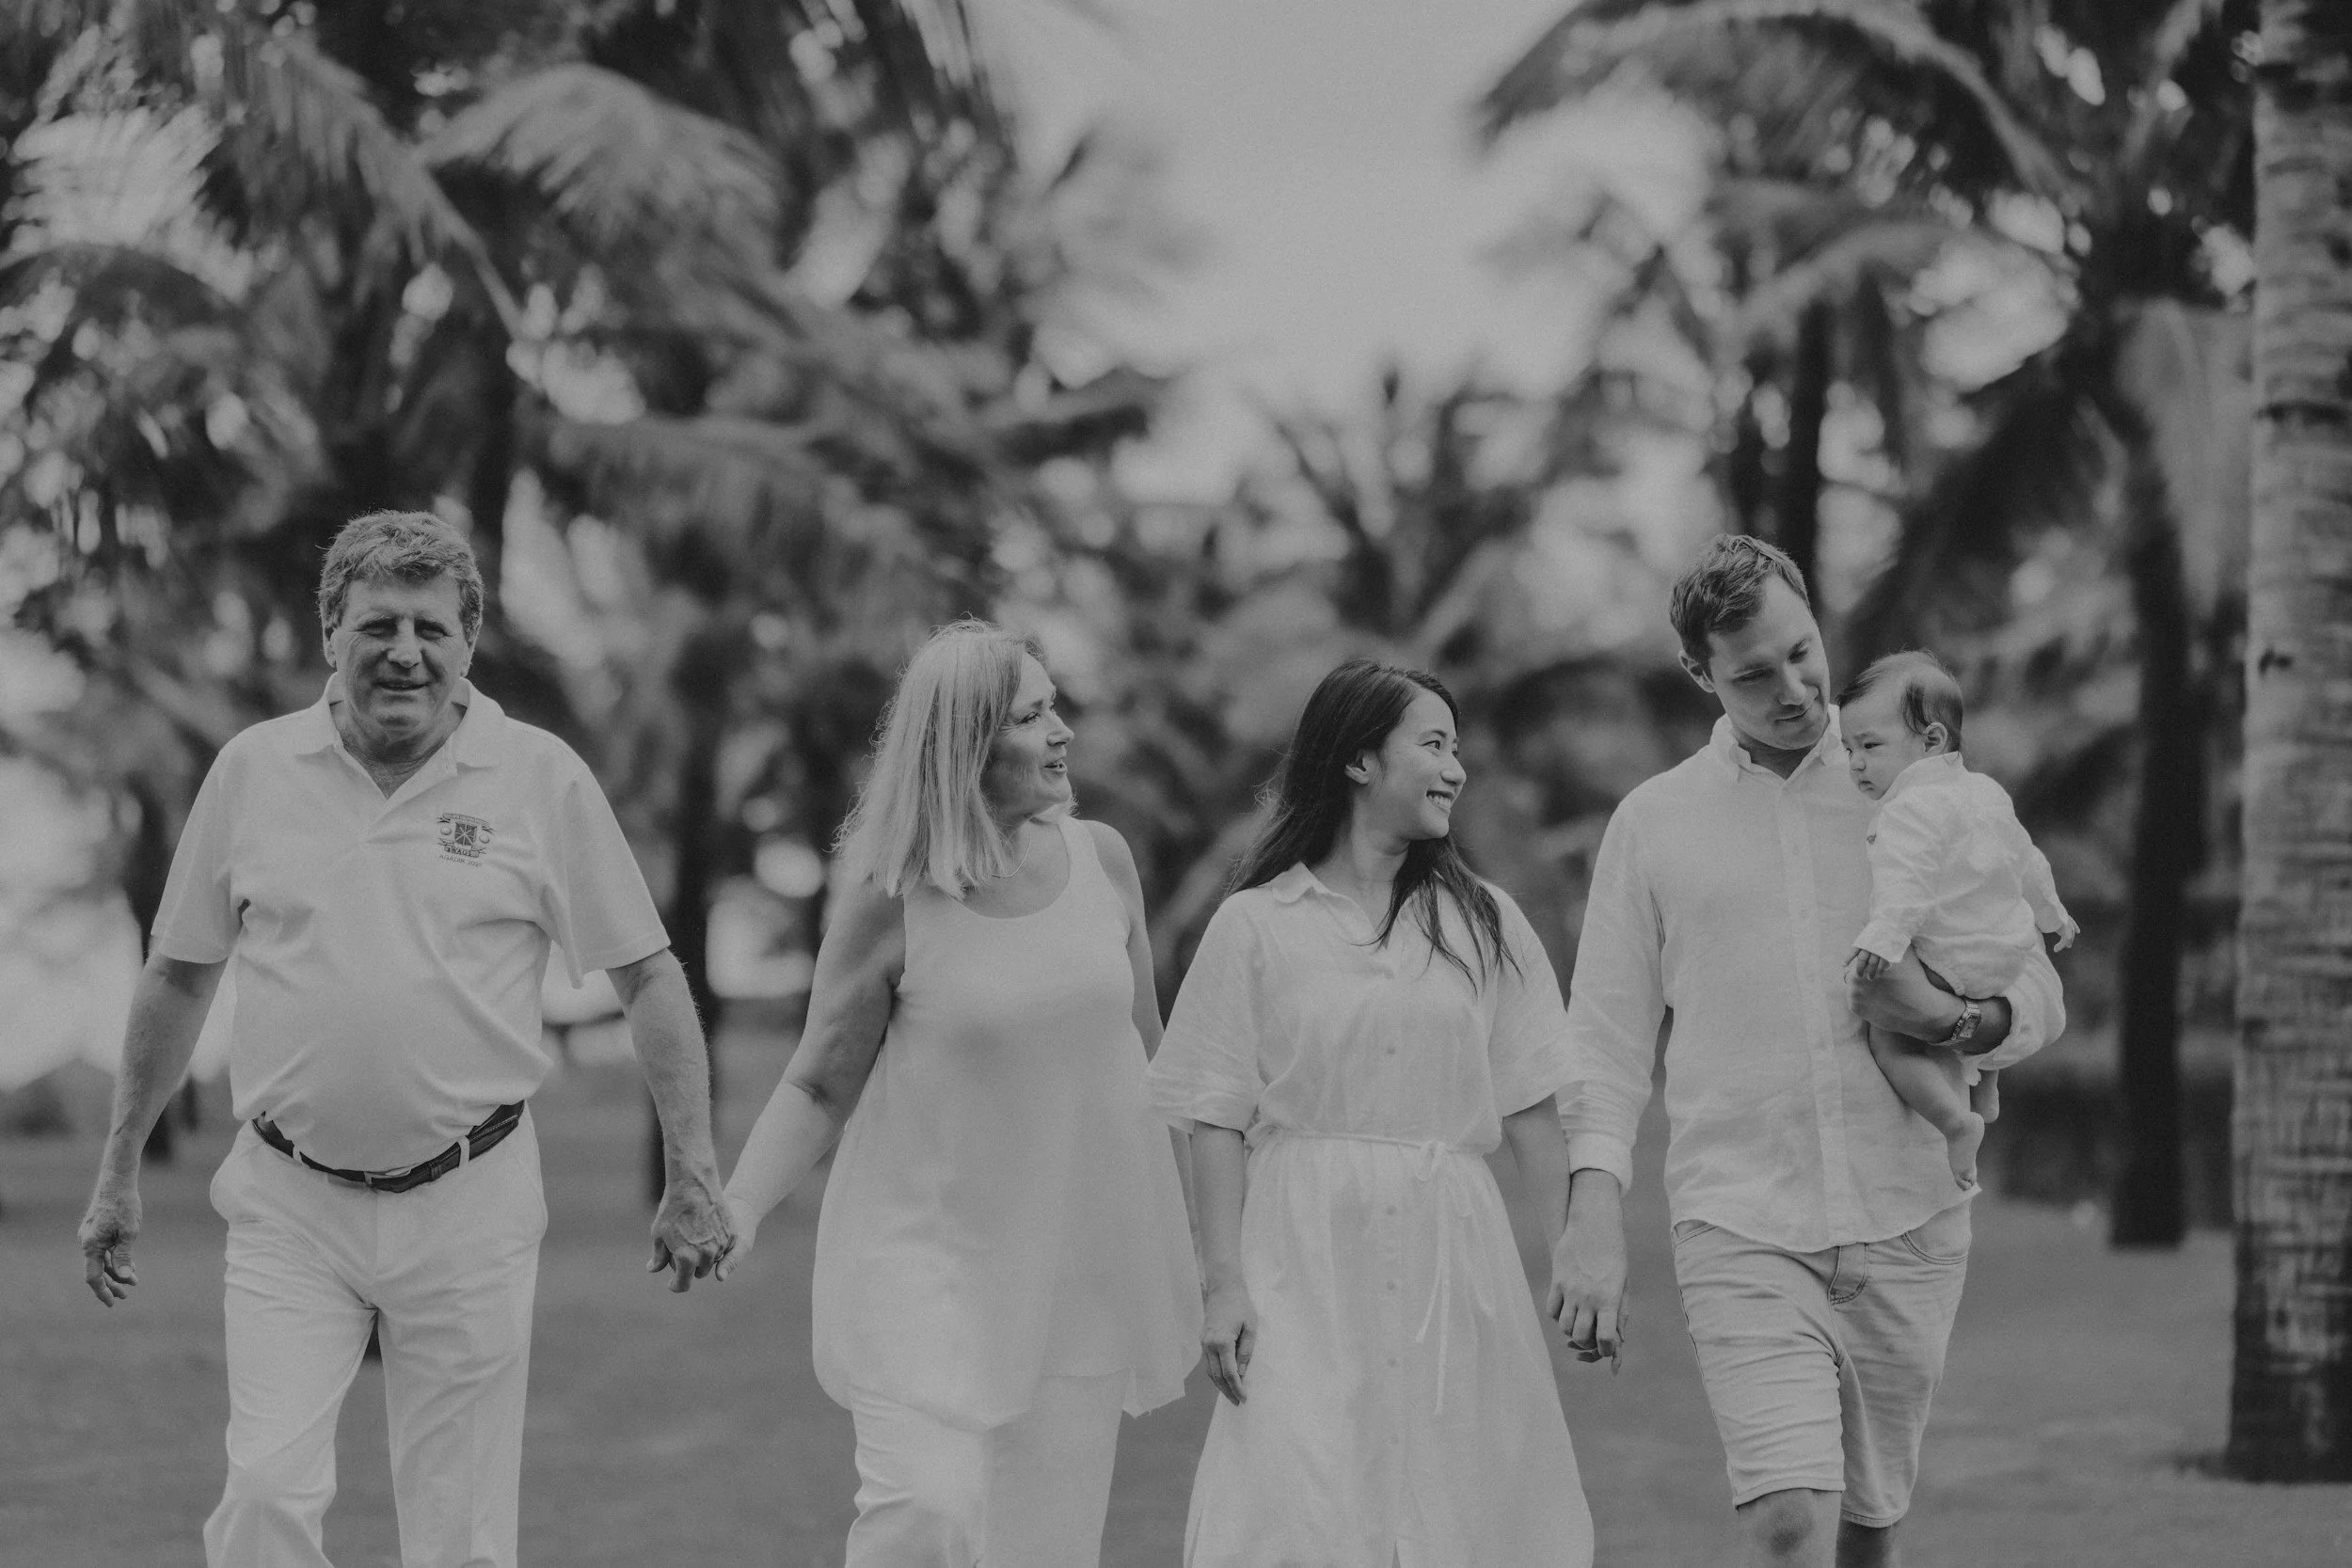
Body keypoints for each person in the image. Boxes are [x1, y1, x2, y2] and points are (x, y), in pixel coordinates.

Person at [74, 511, 731, 1568]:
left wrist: (692, 1167)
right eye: (377, 623)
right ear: (330, 629)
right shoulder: (254, 770)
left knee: (461, 1539)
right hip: (289, 1203)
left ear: (469, 640)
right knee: (263, 1495)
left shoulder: (539, 775)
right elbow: (179, 972)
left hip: (472, 1202)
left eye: (432, 627)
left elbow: (647, 972)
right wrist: (117, 1170)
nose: (404, 652)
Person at [1551, 536, 2067, 1568]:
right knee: (1787, 1516)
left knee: (1865, 1530)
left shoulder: (1919, 788)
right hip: (1739, 1213)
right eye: (1752, 672)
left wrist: (1966, 1022)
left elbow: (2036, 981)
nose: (1792, 689)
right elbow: (1604, 1040)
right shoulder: (1653, 824)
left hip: (1909, 1210)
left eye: (1801, 652)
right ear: (1701, 673)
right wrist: (1592, 1218)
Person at [718, 619, 1199, 1568]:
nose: (1061, 730)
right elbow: (819, 1080)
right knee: (926, 1512)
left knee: (1043, 1547)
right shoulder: (889, 891)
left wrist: (1212, 1250)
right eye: (1031, 714)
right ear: (967, 744)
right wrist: (738, 1204)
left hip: (1073, 1269)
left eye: (1055, 705)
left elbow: (1157, 1065)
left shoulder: (1104, 861)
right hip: (924, 1267)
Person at [1145, 657, 1595, 1568]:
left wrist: (1578, 1251)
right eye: (1432, 744)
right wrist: (1222, 1280)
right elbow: (1214, 1115)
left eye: (1457, 747)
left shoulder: (1487, 924)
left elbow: (1536, 1107)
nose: (1456, 768)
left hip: (1452, 1252)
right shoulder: (1255, 925)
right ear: (1358, 761)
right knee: (1299, 1504)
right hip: (1300, 1255)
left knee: (1464, 1504)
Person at [1839, 651, 2079, 1188]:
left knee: (1890, 1038)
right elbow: (2028, 861)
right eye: (1848, 748)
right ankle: (1987, 1082)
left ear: (1931, 741)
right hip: (2007, 956)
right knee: (1973, 973)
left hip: (1950, 964)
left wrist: (1883, 938)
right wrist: (2053, 914)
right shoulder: (1988, 792)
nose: (1855, 763)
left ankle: (1954, 1122)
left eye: (1869, 746)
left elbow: (1907, 886)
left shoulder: (1905, 810)